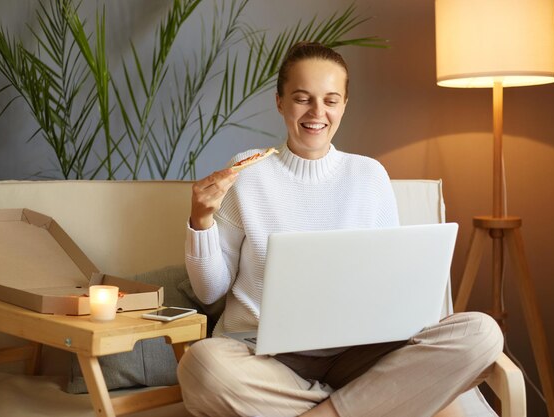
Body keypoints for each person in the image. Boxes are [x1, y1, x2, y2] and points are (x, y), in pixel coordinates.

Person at [178, 41, 503, 417]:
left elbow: (387, 285)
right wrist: (200, 221)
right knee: (201, 368)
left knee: (482, 333)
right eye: (303, 98)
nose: (317, 112)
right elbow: (209, 292)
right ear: (280, 101)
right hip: (263, 358)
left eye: (331, 100)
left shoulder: (369, 176)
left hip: (357, 356)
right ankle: (374, 405)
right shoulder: (248, 174)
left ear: (344, 105)